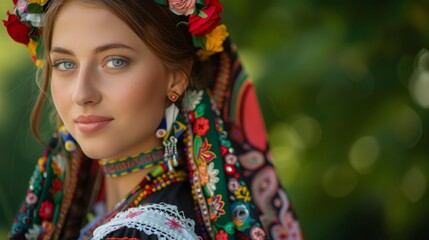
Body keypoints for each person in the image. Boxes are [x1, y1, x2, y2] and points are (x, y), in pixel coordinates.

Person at [3, 0, 303, 239]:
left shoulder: (144, 230)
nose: (82, 93)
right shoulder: (113, 214)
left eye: (115, 61)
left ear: (176, 77)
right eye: (65, 63)